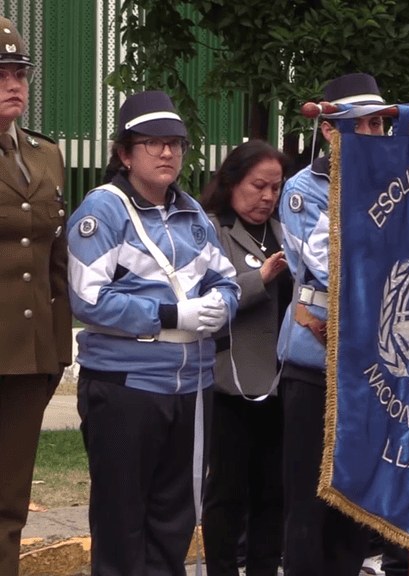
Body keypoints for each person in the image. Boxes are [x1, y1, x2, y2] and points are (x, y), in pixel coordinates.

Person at [67, 90, 239, 576]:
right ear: (124, 153)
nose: (167, 153)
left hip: (192, 386)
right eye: (152, 143)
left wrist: (220, 308)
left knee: (175, 521)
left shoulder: (192, 215)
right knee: (122, 523)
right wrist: (171, 316)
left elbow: (225, 279)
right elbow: (88, 299)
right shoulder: (104, 211)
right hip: (127, 386)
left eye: (176, 143)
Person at [277, 73, 385, 576]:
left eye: (379, 122)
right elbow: (333, 263)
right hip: (316, 359)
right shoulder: (303, 190)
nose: (375, 133)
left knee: (356, 498)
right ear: (329, 130)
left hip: (374, 365)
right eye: (361, 124)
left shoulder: (396, 182)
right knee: (308, 498)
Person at [0, 18, 72, 576]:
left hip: (29, 354)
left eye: (19, 72)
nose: (13, 82)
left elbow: (55, 257)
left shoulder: (46, 155)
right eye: (1, 73)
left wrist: (58, 349)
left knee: (10, 498)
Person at [199, 140, 291, 576]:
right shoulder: (212, 228)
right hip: (233, 384)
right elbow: (207, 298)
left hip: (284, 382)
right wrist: (262, 277)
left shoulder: (286, 228)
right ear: (232, 181)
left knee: (273, 492)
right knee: (228, 492)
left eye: (275, 187)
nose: (268, 197)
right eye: (258, 186)